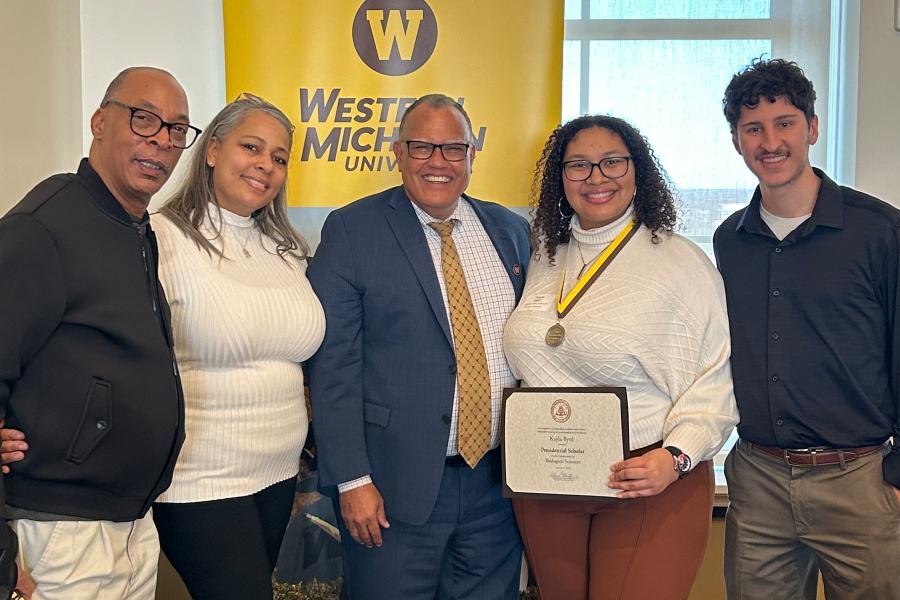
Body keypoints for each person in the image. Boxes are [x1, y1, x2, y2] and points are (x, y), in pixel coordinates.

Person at [503, 114, 738, 600]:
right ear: (559, 177)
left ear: (637, 171)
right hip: (548, 474)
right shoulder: (544, 258)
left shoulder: (680, 263)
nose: (596, 178)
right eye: (579, 165)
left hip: (648, 476)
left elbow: (716, 379)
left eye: (612, 162)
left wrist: (675, 457)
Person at [306, 93, 530, 599]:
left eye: (453, 148)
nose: (437, 162)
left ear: (473, 155)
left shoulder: (512, 231)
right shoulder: (352, 229)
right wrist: (350, 480)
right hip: (390, 490)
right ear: (397, 152)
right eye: (422, 147)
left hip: (496, 490)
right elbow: (334, 366)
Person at [0, 66, 192, 599]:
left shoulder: (134, 226)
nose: (162, 140)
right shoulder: (44, 226)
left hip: (130, 525)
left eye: (177, 129)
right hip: (60, 533)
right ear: (100, 121)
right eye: (144, 119)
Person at [715, 57, 900, 600]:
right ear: (737, 141)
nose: (770, 142)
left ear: (813, 128)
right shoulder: (730, 240)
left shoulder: (880, 231)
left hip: (861, 480)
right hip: (758, 480)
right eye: (753, 129)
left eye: (785, 123)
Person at [149, 94, 326, 599]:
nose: (265, 166)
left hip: (277, 473)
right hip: (198, 478)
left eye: (278, 157)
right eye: (251, 147)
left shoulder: (288, 251)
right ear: (211, 150)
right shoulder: (161, 239)